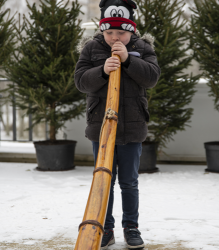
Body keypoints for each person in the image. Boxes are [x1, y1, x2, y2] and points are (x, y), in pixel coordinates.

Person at [74, 0, 160, 249]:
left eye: (120, 32)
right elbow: (81, 82)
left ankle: (131, 227)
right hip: (100, 128)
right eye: (109, 32)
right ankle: (106, 228)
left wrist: (129, 61)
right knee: (104, 181)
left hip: (132, 127)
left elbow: (152, 77)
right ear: (102, 29)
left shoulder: (142, 48)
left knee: (129, 182)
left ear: (131, 29)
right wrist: (101, 70)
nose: (114, 37)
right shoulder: (91, 49)